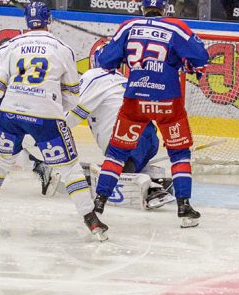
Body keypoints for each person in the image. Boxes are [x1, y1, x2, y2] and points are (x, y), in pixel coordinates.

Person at [0, 2, 107, 239]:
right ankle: (91, 220)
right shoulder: (62, 48)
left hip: (10, 114)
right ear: (48, 21)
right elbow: (72, 95)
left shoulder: (9, 46)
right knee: (69, 168)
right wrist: (56, 112)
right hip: (45, 116)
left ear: (26, 22)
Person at [92, 0, 209, 228]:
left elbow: (105, 61)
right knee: (179, 153)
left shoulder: (128, 27)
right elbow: (200, 56)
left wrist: (120, 53)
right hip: (167, 102)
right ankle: (184, 206)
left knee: (117, 152)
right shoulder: (176, 27)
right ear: (166, 6)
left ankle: (99, 201)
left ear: (142, 5)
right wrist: (180, 62)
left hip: (136, 100)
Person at [66, 65, 175, 210]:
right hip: (149, 137)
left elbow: (77, 111)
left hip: (126, 136)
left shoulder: (93, 75)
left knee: (119, 165)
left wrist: (53, 129)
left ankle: (152, 188)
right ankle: (155, 177)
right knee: (131, 160)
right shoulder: (125, 79)